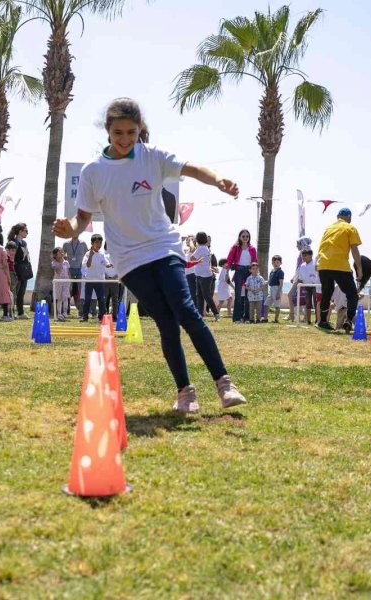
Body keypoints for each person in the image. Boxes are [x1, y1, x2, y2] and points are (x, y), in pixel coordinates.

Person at [52, 97, 245, 413]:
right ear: (108, 131)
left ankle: (224, 383)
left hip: (163, 246)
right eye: (118, 133)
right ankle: (185, 392)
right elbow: (83, 219)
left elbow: (192, 168)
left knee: (185, 309)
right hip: (129, 258)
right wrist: (68, 229)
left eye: (131, 132)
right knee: (166, 322)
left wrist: (218, 180)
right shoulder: (93, 172)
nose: (125, 139)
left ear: (140, 129)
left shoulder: (152, 157)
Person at [316, 207, 361, 331]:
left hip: (323, 264)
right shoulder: (350, 228)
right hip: (340, 265)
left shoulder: (328, 228)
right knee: (352, 294)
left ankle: (323, 321)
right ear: (349, 217)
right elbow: (354, 250)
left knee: (326, 293)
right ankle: (349, 320)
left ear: (337, 216)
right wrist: (359, 268)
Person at [224, 229, 257, 323]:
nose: (245, 238)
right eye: (243, 236)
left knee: (248, 296)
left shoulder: (253, 249)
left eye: (247, 236)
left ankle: (246, 317)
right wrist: (226, 274)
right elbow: (229, 260)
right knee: (238, 296)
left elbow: (255, 262)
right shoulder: (235, 247)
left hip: (249, 272)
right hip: (238, 271)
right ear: (239, 237)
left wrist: (256, 274)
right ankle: (236, 318)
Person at [191, 231, 219, 321]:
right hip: (202, 275)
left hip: (204, 276)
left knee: (205, 296)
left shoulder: (200, 249)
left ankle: (216, 314)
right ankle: (200, 315)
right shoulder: (205, 248)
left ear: (197, 239)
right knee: (200, 295)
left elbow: (192, 258)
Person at [80, 233, 109, 322]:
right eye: (97, 242)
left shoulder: (102, 254)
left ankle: (102, 317)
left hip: (100, 280)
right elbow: (87, 265)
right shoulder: (88, 254)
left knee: (101, 300)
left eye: (100, 243)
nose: (99, 245)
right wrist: (91, 256)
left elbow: (106, 263)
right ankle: (85, 317)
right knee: (87, 299)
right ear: (92, 243)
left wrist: (109, 265)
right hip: (89, 280)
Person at [8, 223, 33, 318]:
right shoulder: (13, 242)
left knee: (21, 292)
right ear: (20, 232)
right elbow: (11, 257)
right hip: (15, 270)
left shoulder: (24, 243)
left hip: (24, 271)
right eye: (26, 231)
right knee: (14, 292)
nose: (27, 232)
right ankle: (11, 312)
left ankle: (20, 312)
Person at [286, 236, 312, 321]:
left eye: (298, 244)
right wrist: (294, 277)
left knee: (291, 295)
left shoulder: (304, 254)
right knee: (305, 297)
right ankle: (296, 316)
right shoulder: (303, 252)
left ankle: (292, 315)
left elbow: (303, 267)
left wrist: (297, 278)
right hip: (298, 278)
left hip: (301, 279)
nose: (296, 246)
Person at [63, 234, 88, 312]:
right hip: (69, 269)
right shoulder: (66, 244)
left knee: (81, 290)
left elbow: (87, 255)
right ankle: (66, 309)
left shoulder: (83, 243)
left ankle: (81, 310)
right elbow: (62, 255)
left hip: (80, 269)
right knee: (68, 289)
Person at [292, 249, 318, 324]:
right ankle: (308, 321)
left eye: (305, 255)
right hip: (306, 286)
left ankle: (317, 320)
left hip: (315, 286)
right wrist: (298, 287)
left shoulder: (315, 264)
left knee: (316, 303)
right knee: (308, 303)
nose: (303, 257)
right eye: (302, 256)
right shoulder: (302, 266)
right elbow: (300, 278)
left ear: (311, 255)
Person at [51, 247, 71, 321]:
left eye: (62, 251)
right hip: (58, 282)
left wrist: (70, 282)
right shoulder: (54, 263)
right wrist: (60, 262)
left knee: (65, 297)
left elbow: (68, 272)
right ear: (56, 255)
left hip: (66, 282)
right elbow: (58, 271)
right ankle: (59, 313)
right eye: (60, 252)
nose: (62, 252)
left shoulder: (66, 262)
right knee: (59, 298)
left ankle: (65, 312)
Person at [268, 255, 284, 323]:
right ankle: (265, 318)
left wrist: (278, 293)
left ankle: (276, 320)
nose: (275, 264)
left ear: (280, 263)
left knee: (277, 306)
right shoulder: (271, 271)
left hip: (277, 289)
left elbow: (281, 283)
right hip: (271, 289)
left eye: (277, 262)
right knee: (266, 304)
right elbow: (269, 281)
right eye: (274, 262)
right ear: (272, 263)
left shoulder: (280, 272)